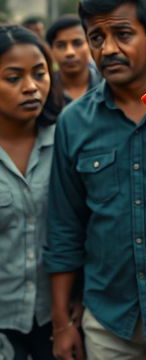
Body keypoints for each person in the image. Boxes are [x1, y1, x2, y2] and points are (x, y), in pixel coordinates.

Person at [43, 0, 146, 360]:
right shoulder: (74, 122)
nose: (107, 48)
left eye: (122, 34)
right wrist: (63, 324)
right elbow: (65, 228)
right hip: (108, 318)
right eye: (95, 37)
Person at [0, 25, 63, 359]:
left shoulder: (66, 139)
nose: (31, 87)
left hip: (56, 320)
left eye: (39, 74)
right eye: (13, 78)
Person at [46, 15, 101, 105]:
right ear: (51, 51)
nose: (69, 52)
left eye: (77, 43)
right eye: (61, 45)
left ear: (90, 45)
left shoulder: (109, 86)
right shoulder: (46, 93)